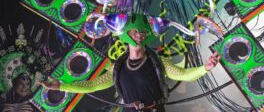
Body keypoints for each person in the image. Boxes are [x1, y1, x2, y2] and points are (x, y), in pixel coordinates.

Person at [39, 14, 221, 111]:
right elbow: (91, 85)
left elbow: (184, 75)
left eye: (142, 33)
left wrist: (205, 68)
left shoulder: (157, 62)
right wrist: (61, 87)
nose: (139, 36)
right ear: (126, 35)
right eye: (135, 33)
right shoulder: (117, 67)